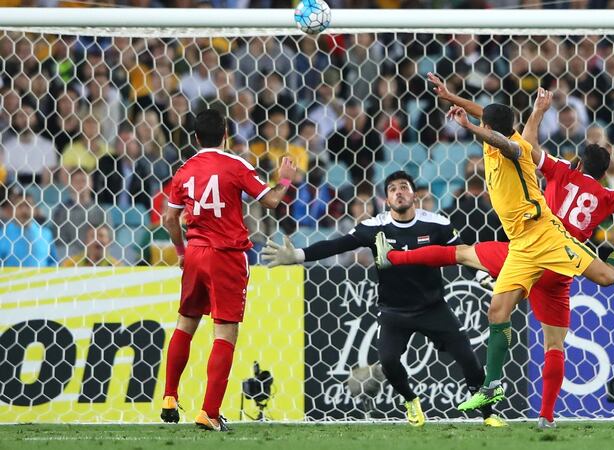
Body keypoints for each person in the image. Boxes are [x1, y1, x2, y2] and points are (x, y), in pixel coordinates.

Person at [421, 76, 614, 421]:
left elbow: (517, 142)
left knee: (467, 255)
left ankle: (400, 259)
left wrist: (529, 114)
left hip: (547, 241)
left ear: (576, 162)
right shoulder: (604, 192)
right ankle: (515, 399)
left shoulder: (556, 168)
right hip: (541, 253)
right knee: (523, 325)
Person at [262, 171, 506, 428]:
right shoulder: (374, 226)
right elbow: (338, 245)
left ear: (414, 195)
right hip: (394, 311)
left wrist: (479, 275)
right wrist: (298, 255)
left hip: (433, 307)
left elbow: (464, 252)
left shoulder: (437, 224)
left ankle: (488, 414)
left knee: (469, 360)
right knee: (388, 362)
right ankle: (411, 400)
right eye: (392, 189)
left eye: (404, 187)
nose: (399, 192)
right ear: (386, 200)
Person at [160, 109, 296, 432]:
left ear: (195, 139)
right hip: (227, 257)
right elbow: (272, 202)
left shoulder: (184, 170)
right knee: (225, 332)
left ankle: (169, 395)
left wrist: (181, 252)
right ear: (225, 135)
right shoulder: (235, 165)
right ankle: (209, 411)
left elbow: (168, 218)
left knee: (185, 323)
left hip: (195, 253)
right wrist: (287, 177)